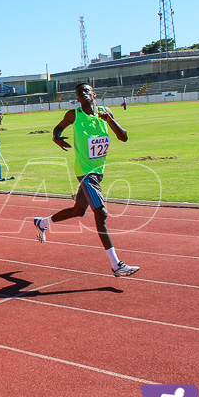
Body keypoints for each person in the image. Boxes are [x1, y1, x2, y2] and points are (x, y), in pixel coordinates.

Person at [33, 82, 139, 277]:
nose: (83, 94)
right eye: (79, 92)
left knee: (78, 211)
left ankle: (43, 222)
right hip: (85, 172)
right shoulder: (74, 115)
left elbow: (123, 137)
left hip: (98, 172)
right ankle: (116, 265)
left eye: (86, 91)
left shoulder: (104, 113)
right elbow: (57, 129)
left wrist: (110, 120)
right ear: (77, 98)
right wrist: (56, 138)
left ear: (94, 94)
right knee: (101, 213)